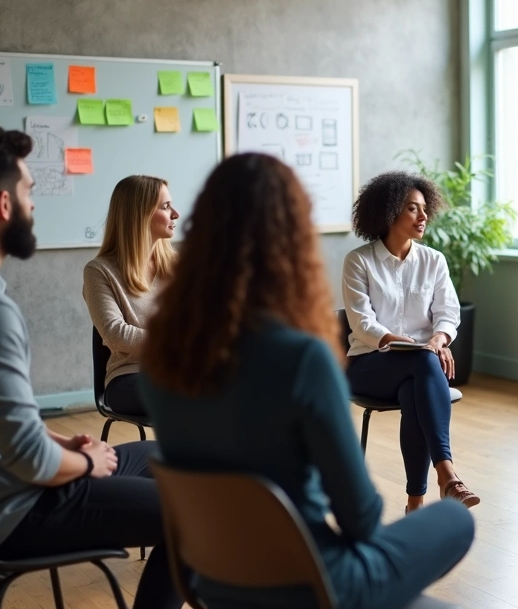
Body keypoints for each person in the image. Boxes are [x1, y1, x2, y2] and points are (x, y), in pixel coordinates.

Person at [140, 154, 475, 609]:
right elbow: (361, 519)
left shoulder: (164, 352)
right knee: (457, 523)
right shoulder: (303, 358)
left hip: (219, 584)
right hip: (317, 584)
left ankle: (436, 480)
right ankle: (440, 483)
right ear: (291, 238)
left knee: (422, 374)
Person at [0, 126, 179, 609]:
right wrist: (85, 461)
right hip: (9, 517)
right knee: (195, 509)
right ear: (3, 205)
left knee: (164, 458)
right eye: (28, 193)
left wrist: (63, 441)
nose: (33, 206)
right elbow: (29, 461)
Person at [341, 170, 478, 512]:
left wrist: (439, 338)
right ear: (389, 213)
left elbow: (448, 313)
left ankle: (415, 502)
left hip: (419, 370)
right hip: (368, 365)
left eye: (424, 208)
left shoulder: (433, 261)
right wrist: (408, 345)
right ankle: (447, 474)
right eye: (413, 209)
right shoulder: (358, 261)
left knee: (414, 389)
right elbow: (362, 323)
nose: (423, 216)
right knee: (422, 362)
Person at [83, 175, 179, 416]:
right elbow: (116, 335)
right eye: (166, 207)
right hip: (130, 376)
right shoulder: (99, 271)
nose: (175, 214)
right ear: (140, 214)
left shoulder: (179, 265)